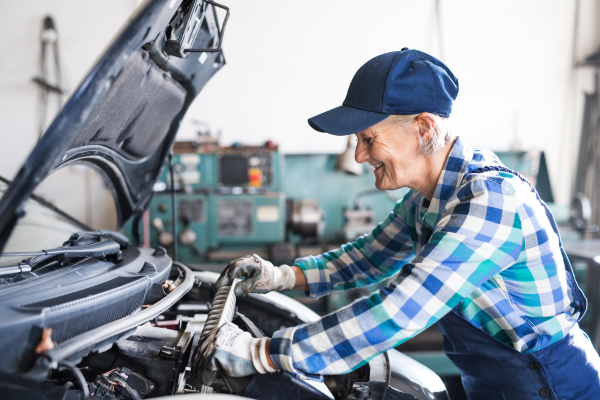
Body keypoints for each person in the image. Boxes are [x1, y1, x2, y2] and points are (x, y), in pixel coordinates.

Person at [200, 48, 600, 399]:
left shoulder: (491, 201)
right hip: (494, 383)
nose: (358, 156)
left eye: (369, 139)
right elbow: (367, 257)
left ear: (423, 128)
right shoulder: (428, 197)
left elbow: (400, 310)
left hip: (549, 385)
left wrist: (263, 354)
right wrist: (281, 277)